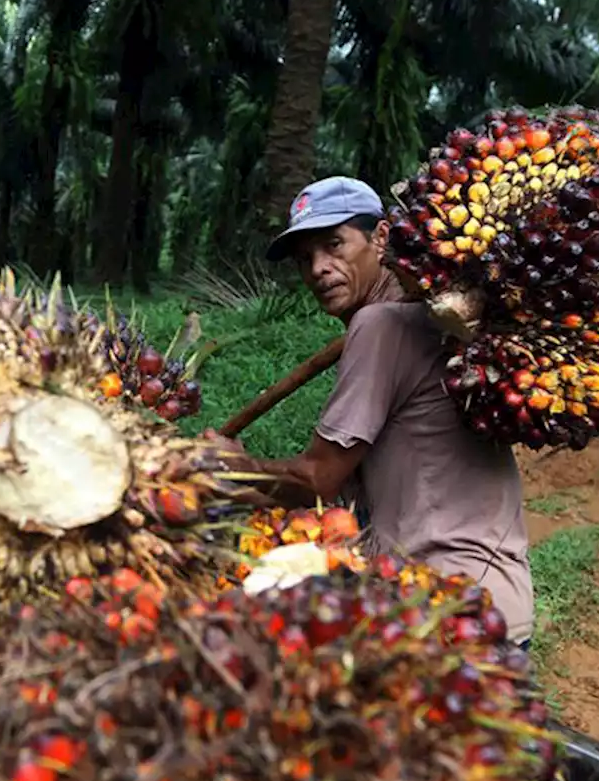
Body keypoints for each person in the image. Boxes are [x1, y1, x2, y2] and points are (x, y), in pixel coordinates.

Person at [216, 176, 533, 648]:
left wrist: (232, 470)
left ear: (381, 239)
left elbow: (317, 478)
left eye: (334, 245)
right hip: (480, 607)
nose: (319, 269)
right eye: (305, 259)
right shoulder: (423, 319)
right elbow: (334, 492)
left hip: (448, 614)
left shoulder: (381, 324)